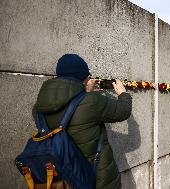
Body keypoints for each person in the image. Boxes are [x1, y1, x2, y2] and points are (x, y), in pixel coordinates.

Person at [32, 54, 132, 188]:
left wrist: (84, 92)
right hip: (96, 179)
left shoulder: (39, 107)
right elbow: (123, 111)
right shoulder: (91, 102)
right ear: (82, 77)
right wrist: (122, 93)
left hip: (63, 178)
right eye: (88, 75)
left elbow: (71, 112)